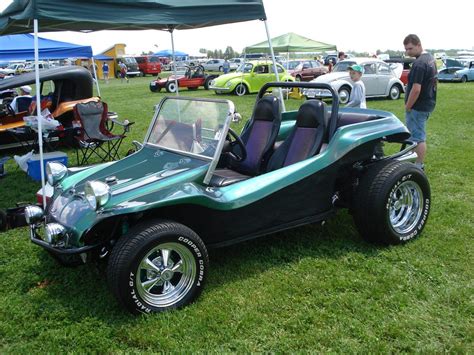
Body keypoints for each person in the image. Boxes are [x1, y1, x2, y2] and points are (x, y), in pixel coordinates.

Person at [403, 34, 437, 169]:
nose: (408, 52)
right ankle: (415, 162)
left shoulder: (419, 63)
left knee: (417, 138)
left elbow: (416, 89)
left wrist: (408, 106)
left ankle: (418, 166)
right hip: (427, 103)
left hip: (418, 106)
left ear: (419, 45)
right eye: (406, 49)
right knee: (416, 136)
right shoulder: (430, 59)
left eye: (410, 48)